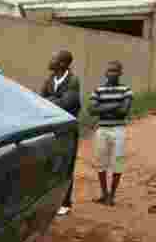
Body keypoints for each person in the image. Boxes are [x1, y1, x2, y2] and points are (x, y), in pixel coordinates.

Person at [40, 51, 81, 216]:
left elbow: (67, 102)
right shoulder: (50, 79)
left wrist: (50, 100)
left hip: (67, 130)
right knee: (50, 166)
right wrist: (54, 100)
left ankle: (65, 202)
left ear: (63, 63)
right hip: (52, 129)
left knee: (66, 165)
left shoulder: (73, 80)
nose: (50, 60)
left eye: (54, 58)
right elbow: (40, 99)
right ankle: (50, 200)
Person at [88, 61, 133, 206]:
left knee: (117, 162)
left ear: (120, 73)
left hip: (118, 130)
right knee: (100, 162)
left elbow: (123, 111)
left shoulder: (126, 90)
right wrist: (116, 105)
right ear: (105, 73)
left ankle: (112, 196)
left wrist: (102, 107)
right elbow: (91, 110)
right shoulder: (98, 90)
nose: (112, 73)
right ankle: (104, 194)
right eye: (109, 71)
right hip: (102, 130)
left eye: (115, 71)